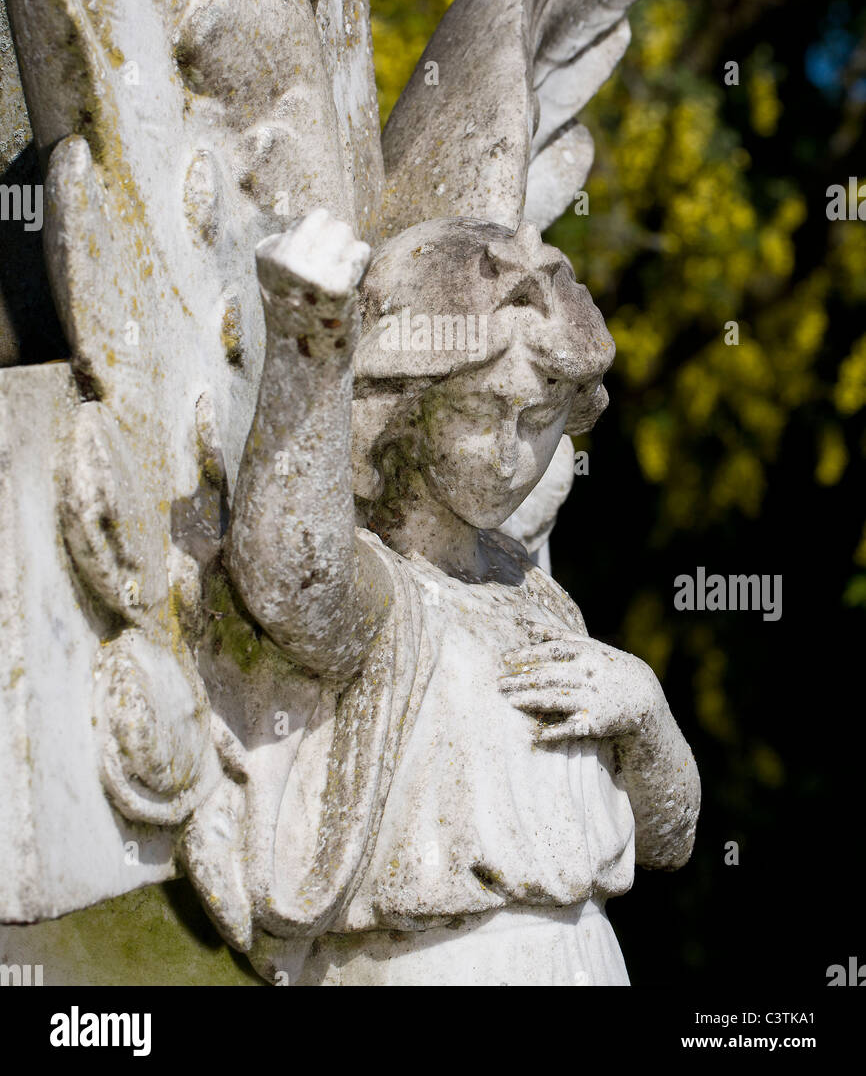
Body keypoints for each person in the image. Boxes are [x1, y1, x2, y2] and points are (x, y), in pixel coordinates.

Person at [222, 209, 699, 986]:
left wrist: (646, 712)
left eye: (541, 419)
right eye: (480, 413)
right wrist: (309, 350)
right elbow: (290, 577)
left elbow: (669, 839)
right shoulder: (392, 595)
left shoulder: (543, 603)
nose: (513, 454)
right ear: (405, 410)